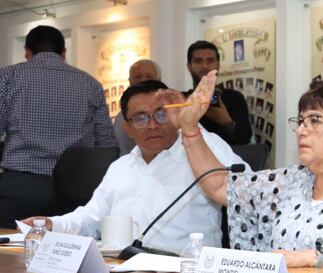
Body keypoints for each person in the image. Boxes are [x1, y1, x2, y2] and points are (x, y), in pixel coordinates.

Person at [168, 76, 323, 264]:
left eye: (315, 120)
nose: (301, 130)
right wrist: (189, 128)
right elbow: (220, 186)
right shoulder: (293, 179)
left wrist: (311, 259)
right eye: (301, 121)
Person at [24, 80, 243, 250]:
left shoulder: (203, 146)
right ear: (127, 128)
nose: (152, 125)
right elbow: (91, 220)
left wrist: (191, 126)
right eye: (140, 118)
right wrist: (51, 224)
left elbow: (250, 193)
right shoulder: (120, 167)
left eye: (161, 114)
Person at [0, 25, 116, 226]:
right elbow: (106, 142)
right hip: (78, 183)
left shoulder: (8, 77)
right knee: (68, 250)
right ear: (63, 53)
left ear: (27, 52)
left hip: (22, 184)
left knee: (12, 251)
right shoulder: (90, 83)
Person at [186, 40, 252, 145]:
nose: (204, 66)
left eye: (210, 60)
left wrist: (226, 121)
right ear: (189, 66)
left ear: (218, 65)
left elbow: (244, 139)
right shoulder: (183, 100)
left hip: (226, 160)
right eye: (198, 61)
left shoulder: (234, 98)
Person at [113, 59, 161, 155]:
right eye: (138, 77)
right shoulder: (122, 117)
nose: (143, 80)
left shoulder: (171, 110)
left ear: (159, 79)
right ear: (130, 81)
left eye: (149, 76)